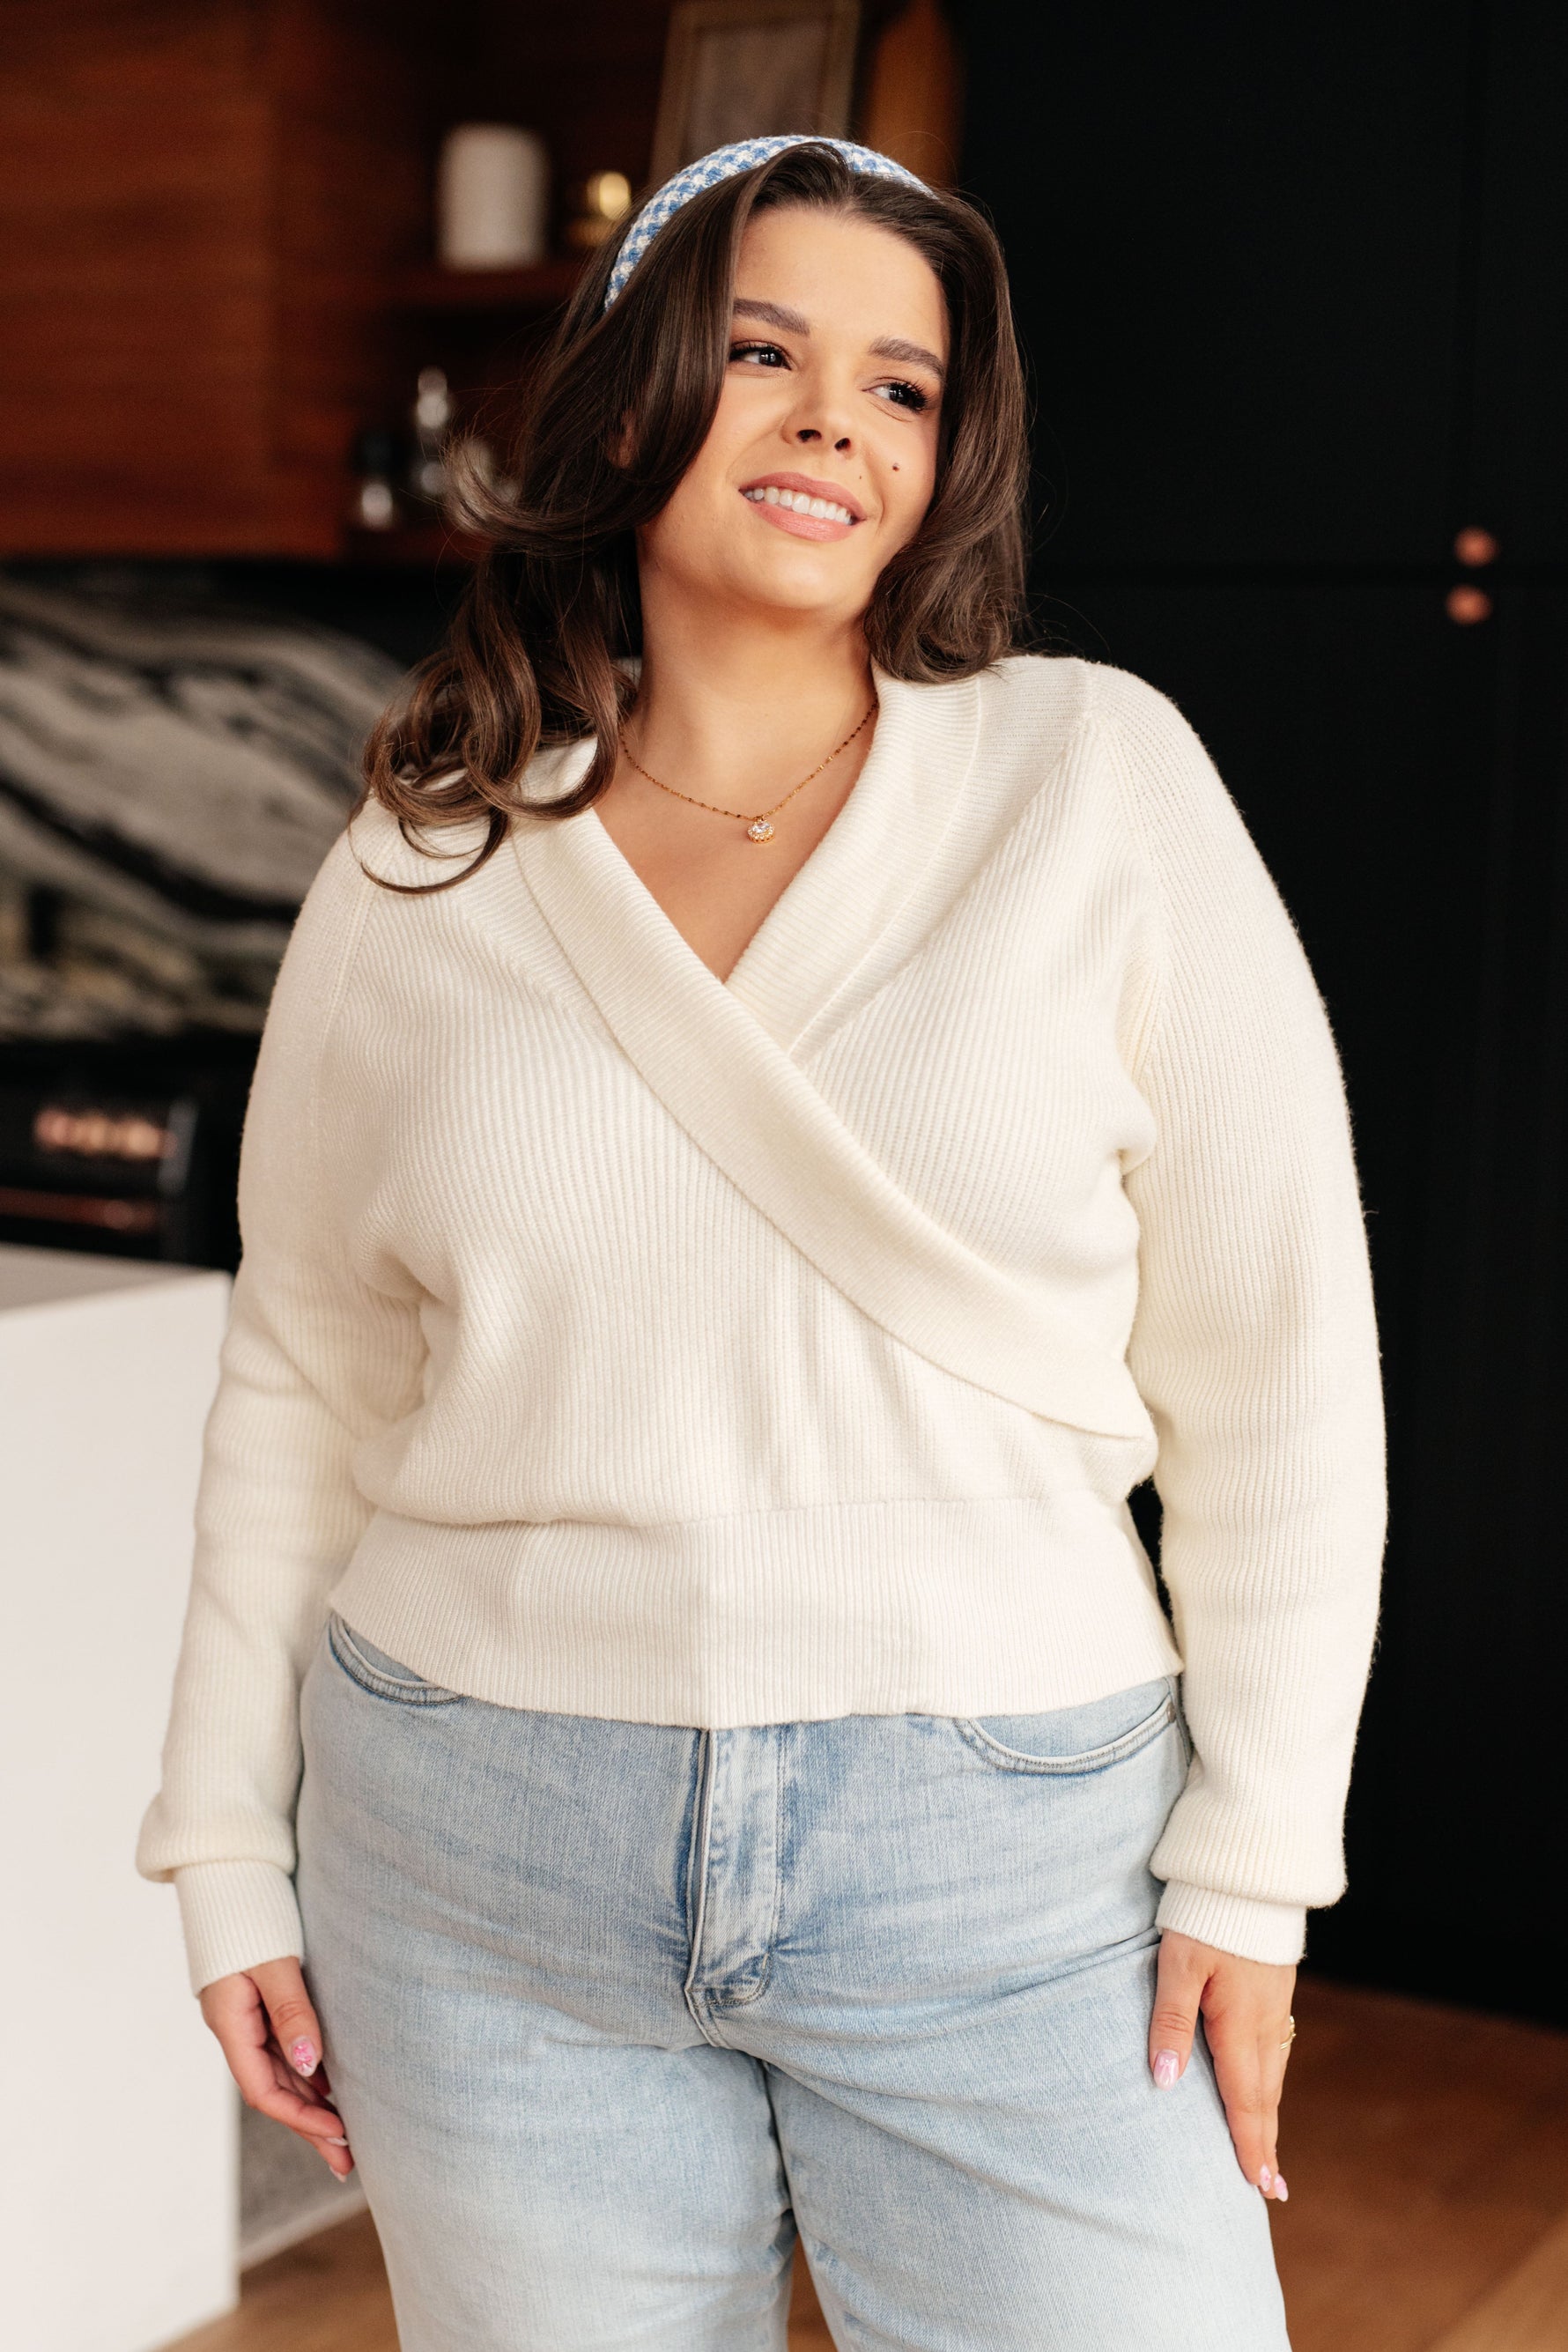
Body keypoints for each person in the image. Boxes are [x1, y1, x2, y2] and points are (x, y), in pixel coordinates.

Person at [137, 136, 1385, 2350]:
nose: (832, 421)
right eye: (760, 353)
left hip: (1009, 1847)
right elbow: (305, 1376)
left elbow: (1275, 1360)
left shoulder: (1094, 782)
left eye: (900, 386)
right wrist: (225, 1841)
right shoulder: (424, 854)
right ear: (628, 396)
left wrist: (1259, 1856)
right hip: (472, 1845)